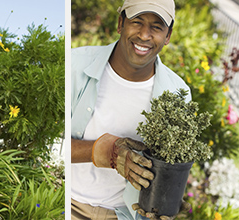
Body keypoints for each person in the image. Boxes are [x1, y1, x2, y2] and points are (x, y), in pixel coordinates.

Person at [71, 0, 191, 219]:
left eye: (156, 26)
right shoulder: (74, 66)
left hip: (125, 214)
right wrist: (107, 152)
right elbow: (49, 143)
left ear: (167, 36)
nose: (144, 35)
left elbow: (170, 161)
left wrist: (168, 195)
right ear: (120, 23)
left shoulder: (177, 93)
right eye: (137, 22)